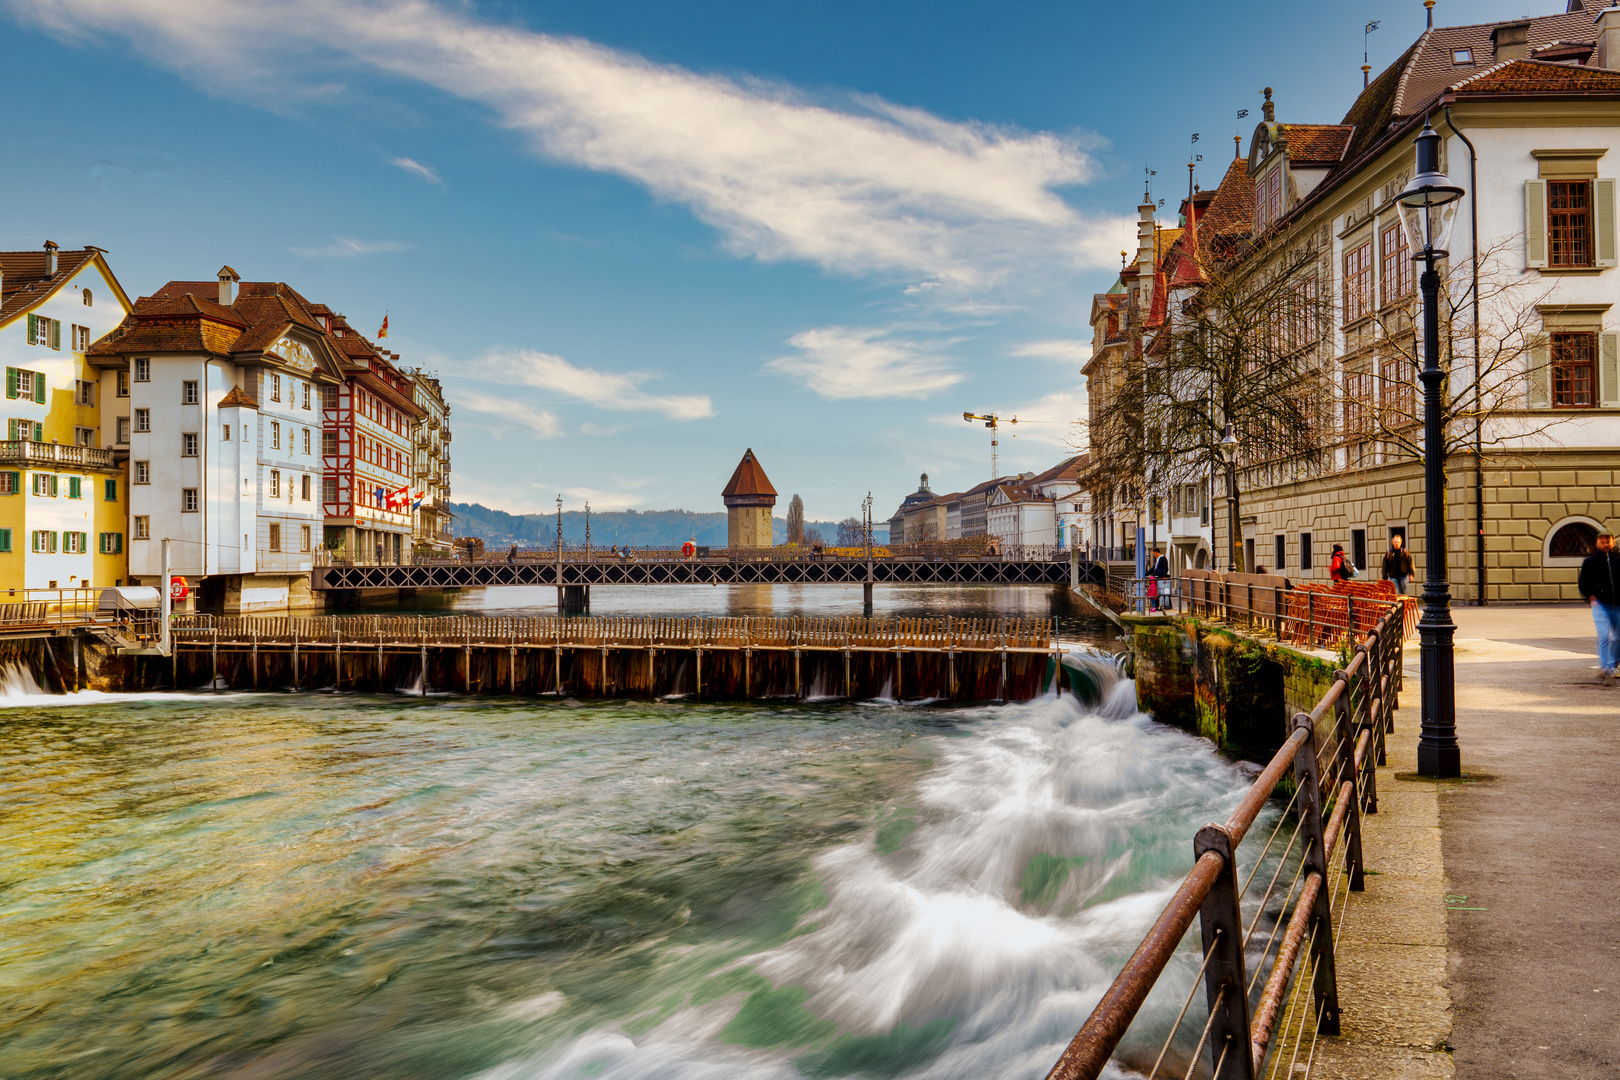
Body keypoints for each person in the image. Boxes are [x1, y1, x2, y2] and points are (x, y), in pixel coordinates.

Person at [1578, 529, 1620, 685]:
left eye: (1607, 541)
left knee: (1618, 637)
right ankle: (1606, 669)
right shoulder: (1590, 562)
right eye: (1602, 542)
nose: (1605, 544)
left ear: (1613, 542)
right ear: (1597, 544)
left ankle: (1613, 665)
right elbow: (1583, 583)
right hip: (1600, 604)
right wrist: (1591, 597)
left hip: (1619, 606)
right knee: (1604, 635)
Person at [1148, 546, 1171, 611]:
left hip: (1160, 578)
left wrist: (1164, 576)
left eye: (1153, 553)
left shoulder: (1162, 558)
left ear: (1155, 552)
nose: (1153, 555)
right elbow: (1153, 569)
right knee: (1157, 592)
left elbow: (1165, 567)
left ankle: (1165, 605)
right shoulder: (1158, 559)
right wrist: (1145, 574)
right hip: (1157, 577)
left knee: (1162, 592)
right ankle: (1157, 606)